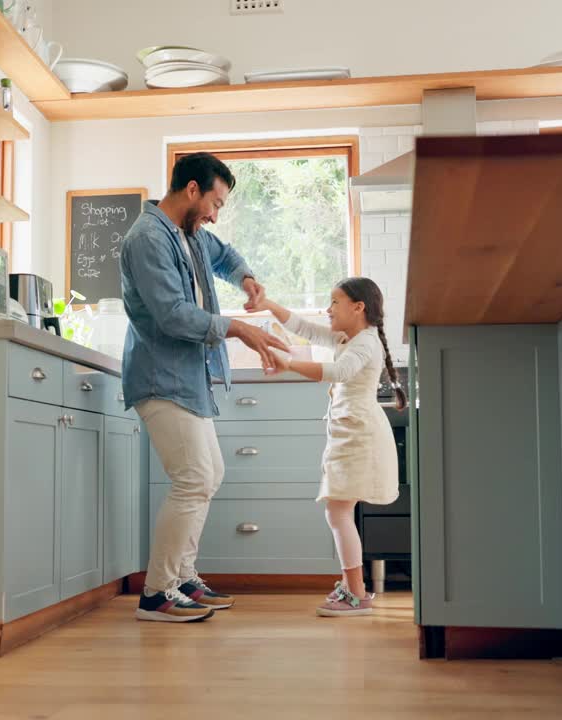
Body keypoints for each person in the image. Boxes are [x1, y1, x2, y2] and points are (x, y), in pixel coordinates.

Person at [120, 152, 290, 623]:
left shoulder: (187, 233)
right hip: (160, 377)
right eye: (215, 201)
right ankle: (157, 593)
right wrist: (238, 328)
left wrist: (248, 279)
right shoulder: (148, 238)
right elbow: (173, 314)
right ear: (191, 191)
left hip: (187, 377)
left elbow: (225, 255)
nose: (216, 213)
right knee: (194, 478)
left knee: (208, 474)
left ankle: (182, 579)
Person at [250, 278, 405, 617]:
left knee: (337, 512)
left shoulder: (365, 343)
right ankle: (355, 590)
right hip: (350, 433)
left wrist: (287, 363)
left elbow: (339, 371)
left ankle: (356, 593)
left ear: (358, 307)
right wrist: (268, 304)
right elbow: (305, 327)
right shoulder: (347, 337)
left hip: (358, 435)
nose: (328, 309)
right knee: (337, 513)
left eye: (335, 302)